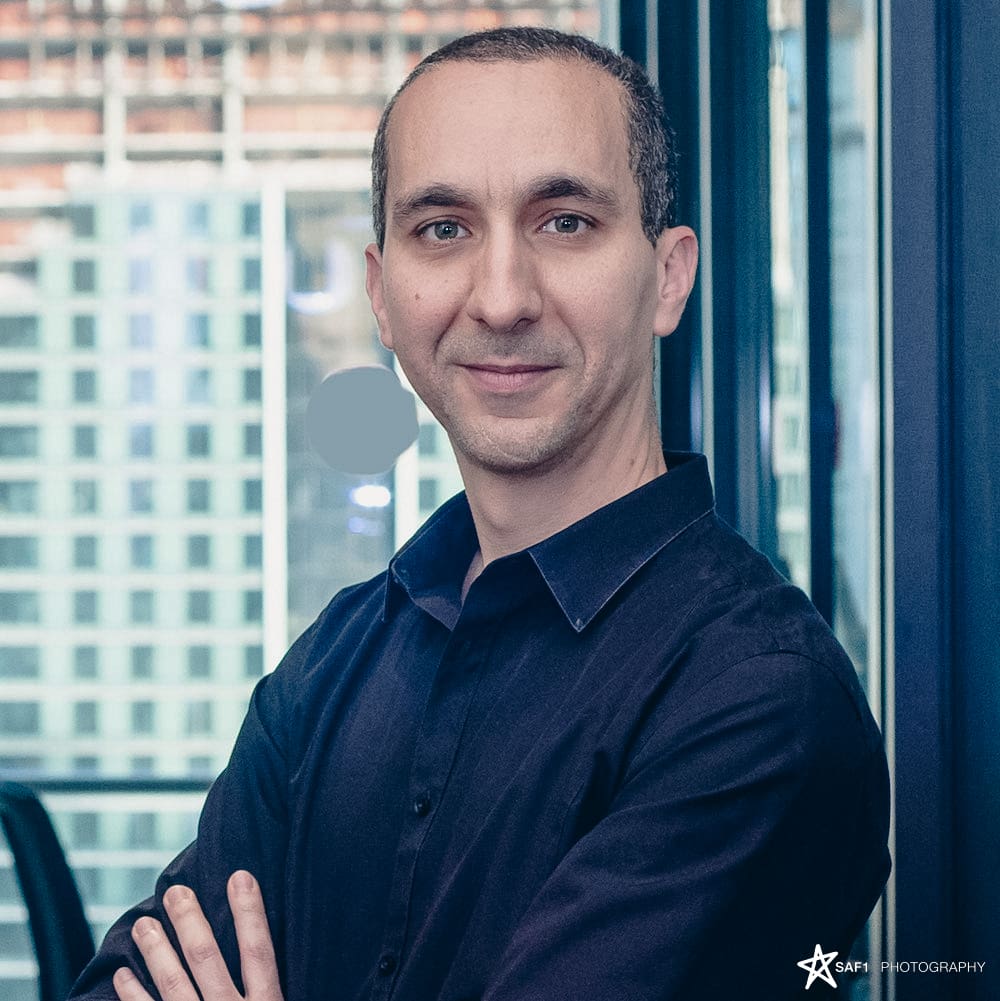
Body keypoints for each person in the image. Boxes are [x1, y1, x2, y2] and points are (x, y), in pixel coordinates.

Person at [70, 26, 890, 1001]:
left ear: (667, 276)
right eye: (444, 229)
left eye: (564, 222)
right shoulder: (337, 657)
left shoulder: (759, 701)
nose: (501, 297)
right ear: (383, 293)